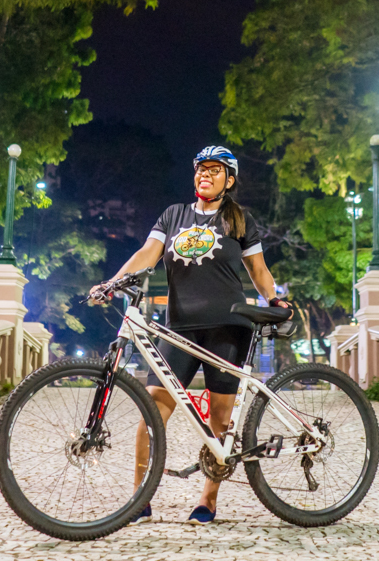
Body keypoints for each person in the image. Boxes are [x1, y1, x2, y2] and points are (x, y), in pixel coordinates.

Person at [90, 146, 292, 527]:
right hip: (178, 329)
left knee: (220, 423)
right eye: (201, 169)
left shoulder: (239, 219)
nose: (205, 174)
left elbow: (259, 271)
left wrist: (276, 299)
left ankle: (208, 501)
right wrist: (113, 282)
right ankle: (139, 499)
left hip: (228, 328)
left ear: (229, 180)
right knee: (152, 413)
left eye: (215, 170)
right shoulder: (173, 215)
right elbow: (147, 253)